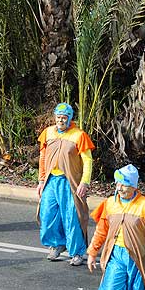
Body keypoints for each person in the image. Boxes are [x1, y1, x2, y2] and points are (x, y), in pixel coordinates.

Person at [37, 102, 95, 266]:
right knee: (47, 214)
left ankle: (77, 252)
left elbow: (87, 160)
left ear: (70, 118)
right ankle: (57, 244)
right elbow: (42, 158)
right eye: (58, 117)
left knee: (72, 217)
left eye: (64, 118)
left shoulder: (79, 135)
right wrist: (41, 180)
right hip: (51, 181)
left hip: (70, 182)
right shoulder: (48, 133)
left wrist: (85, 182)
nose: (60, 121)